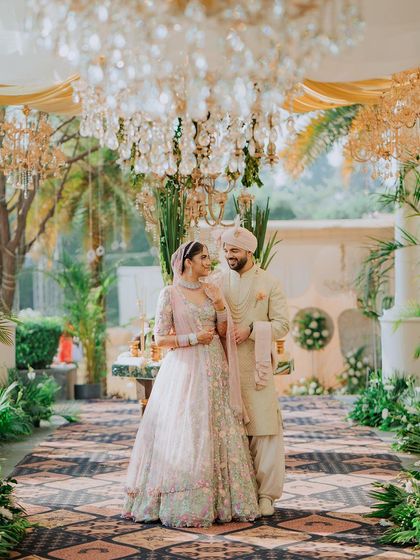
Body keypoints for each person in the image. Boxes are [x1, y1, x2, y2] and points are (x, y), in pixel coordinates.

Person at [122, 241, 259, 528]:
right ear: (188, 262)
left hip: (214, 368)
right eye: (204, 258)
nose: (210, 262)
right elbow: (160, 339)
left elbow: (222, 332)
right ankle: (183, 500)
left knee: (216, 427)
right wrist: (193, 338)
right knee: (188, 430)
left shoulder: (212, 291)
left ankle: (224, 502)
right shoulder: (169, 294)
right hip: (184, 370)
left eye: (209, 258)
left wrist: (220, 306)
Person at [220, 223, 289, 517]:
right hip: (225, 367)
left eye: (234, 250)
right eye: (225, 250)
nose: (228, 255)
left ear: (249, 251)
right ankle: (239, 491)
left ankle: (266, 495)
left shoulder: (269, 283)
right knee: (232, 431)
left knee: (264, 430)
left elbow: (283, 325)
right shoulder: (218, 282)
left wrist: (251, 330)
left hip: (257, 367)